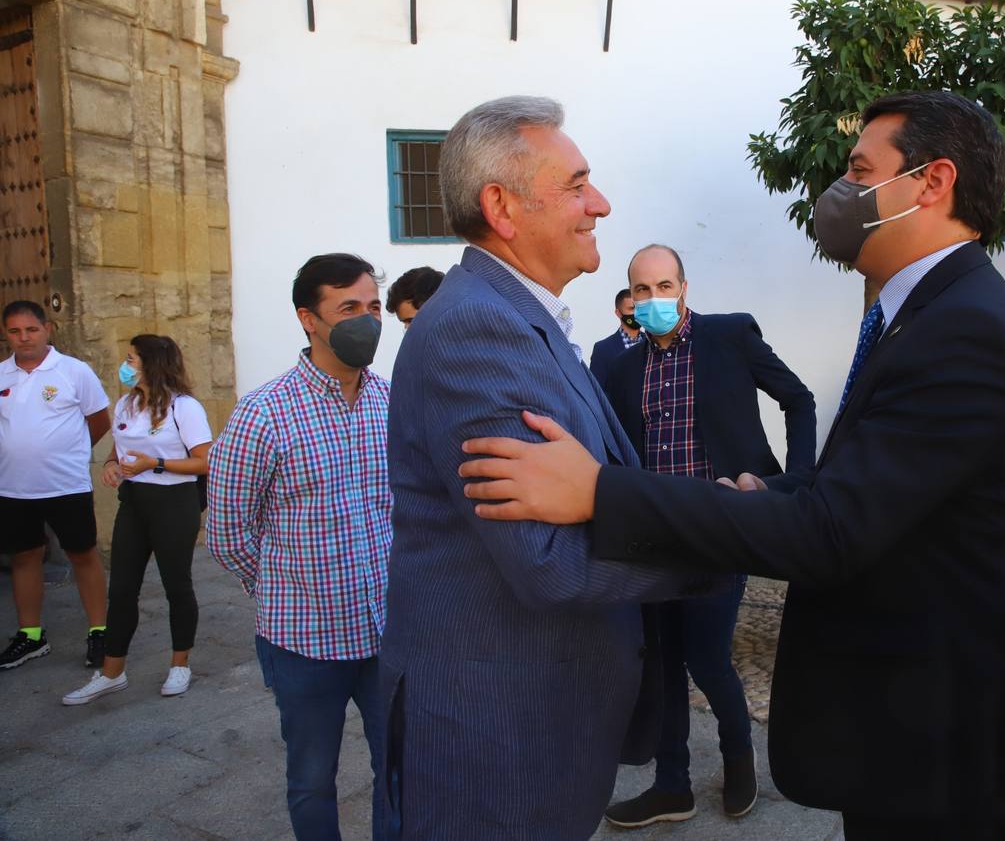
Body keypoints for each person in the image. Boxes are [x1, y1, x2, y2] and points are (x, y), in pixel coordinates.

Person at [459, 90, 1005, 840]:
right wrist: (766, 492)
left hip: (941, 731)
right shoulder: (929, 314)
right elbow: (878, 494)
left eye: (860, 171)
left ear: (932, 183)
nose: (841, 193)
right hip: (909, 724)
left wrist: (601, 493)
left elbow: (833, 532)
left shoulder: (966, 328)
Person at [378, 96, 709, 840]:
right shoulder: (477, 327)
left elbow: (587, 489)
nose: (600, 203)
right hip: (495, 741)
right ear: (502, 205)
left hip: (537, 720)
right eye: (576, 185)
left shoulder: (526, 318)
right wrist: (712, 549)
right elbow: (551, 562)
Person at [601, 244, 816, 828]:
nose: (654, 300)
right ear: (630, 300)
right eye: (642, 291)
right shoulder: (619, 366)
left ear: (684, 288)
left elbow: (798, 399)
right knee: (663, 661)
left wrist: (787, 481)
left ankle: (739, 759)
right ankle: (672, 786)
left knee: (707, 656)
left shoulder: (729, 337)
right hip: (652, 538)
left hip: (719, 529)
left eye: (664, 287)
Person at [207, 254, 391, 841]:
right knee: (312, 778)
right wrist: (286, 588)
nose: (367, 320)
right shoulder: (263, 414)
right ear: (308, 319)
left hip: (390, 629)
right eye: (349, 309)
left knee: (405, 769)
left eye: (373, 307)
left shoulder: (393, 401)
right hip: (304, 640)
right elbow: (228, 531)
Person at [62, 335, 212, 705]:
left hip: (174, 502)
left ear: (151, 365)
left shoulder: (184, 407)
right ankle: (112, 672)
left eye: (131, 358)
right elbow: (120, 447)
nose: (125, 365)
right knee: (122, 588)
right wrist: (112, 465)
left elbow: (205, 460)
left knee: (177, 584)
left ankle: (180, 664)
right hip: (134, 502)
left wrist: (154, 464)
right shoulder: (128, 403)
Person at [0, 300, 111, 671]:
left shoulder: (73, 371)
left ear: (47, 328)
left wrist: (68, 452)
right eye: (14, 331)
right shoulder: (1, 374)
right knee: (24, 557)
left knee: (83, 554)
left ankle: (99, 631)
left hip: (66, 485)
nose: (23, 338)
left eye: (30, 329)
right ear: (6, 334)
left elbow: (98, 421)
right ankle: (31, 636)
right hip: (14, 488)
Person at [588, 287, 642, 387]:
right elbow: (597, 390)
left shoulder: (654, 342)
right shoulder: (603, 349)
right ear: (618, 313)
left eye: (639, 308)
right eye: (631, 308)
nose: (637, 313)